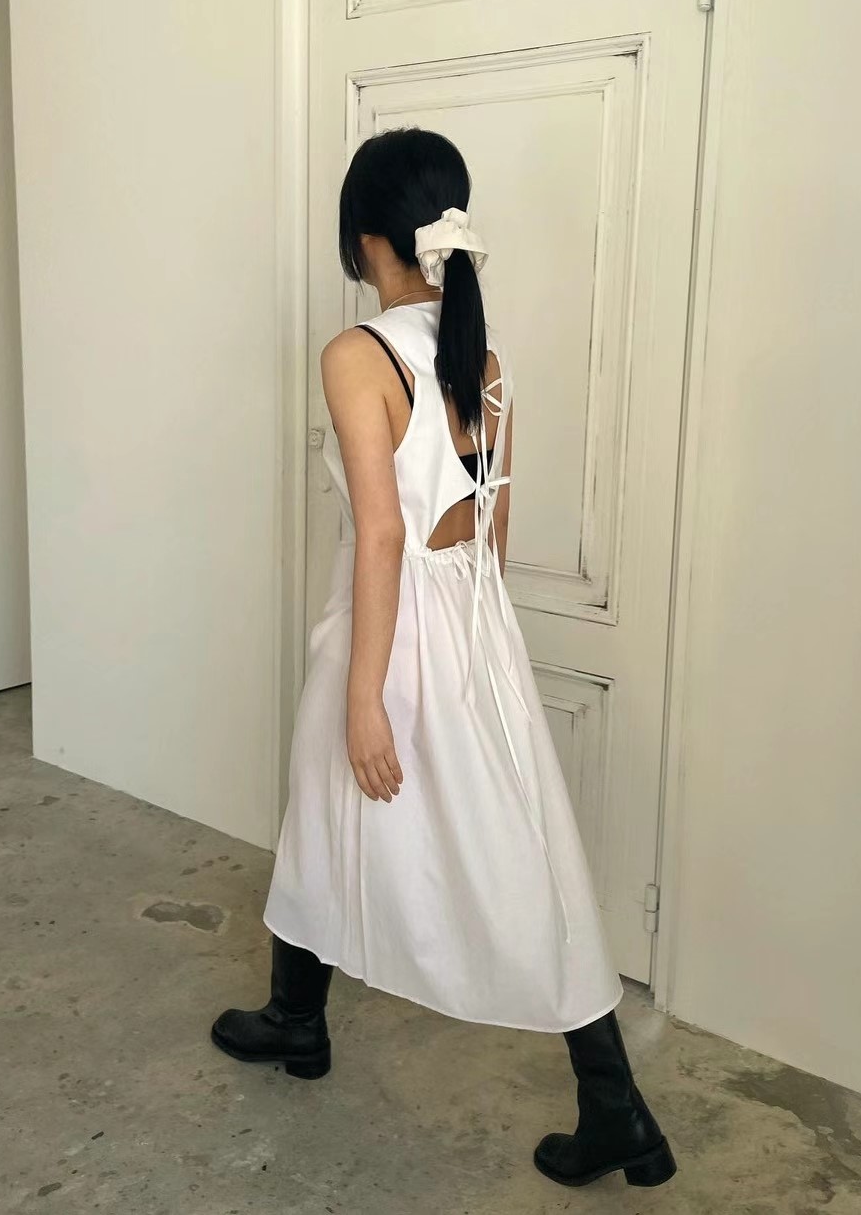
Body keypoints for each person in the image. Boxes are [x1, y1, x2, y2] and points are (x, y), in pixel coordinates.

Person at [210, 127, 676, 1190]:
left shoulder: (357, 355)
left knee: (363, 805)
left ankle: (609, 1105)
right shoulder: (483, 356)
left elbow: (383, 534)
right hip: (468, 616)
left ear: (366, 237)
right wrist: (476, 643)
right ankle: (300, 1017)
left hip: (391, 621)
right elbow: (489, 525)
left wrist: (367, 695)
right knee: (479, 834)